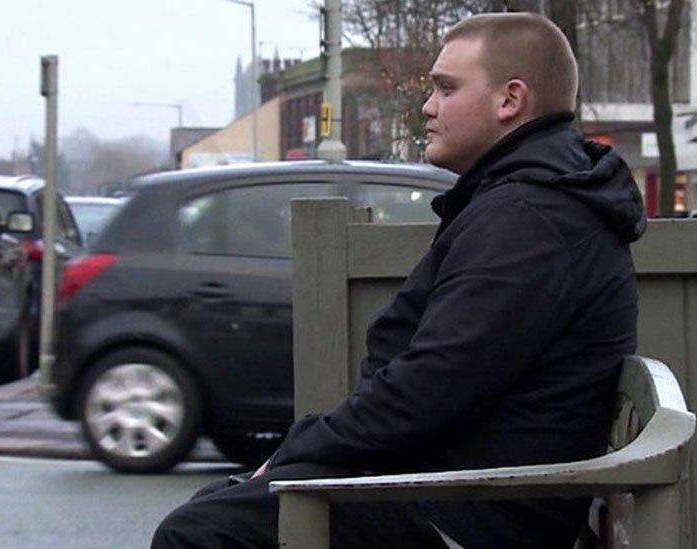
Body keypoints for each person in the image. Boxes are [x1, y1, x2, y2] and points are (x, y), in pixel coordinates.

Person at [153, 12, 646, 549]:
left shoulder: (530, 221)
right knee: (216, 509)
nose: (428, 107)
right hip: (452, 492)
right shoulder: (524, 204)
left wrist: (296, 450)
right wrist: (296, 455)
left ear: (510, 101)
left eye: (445, 88)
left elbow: (428, 391)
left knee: (198, 534)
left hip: (467, 515)